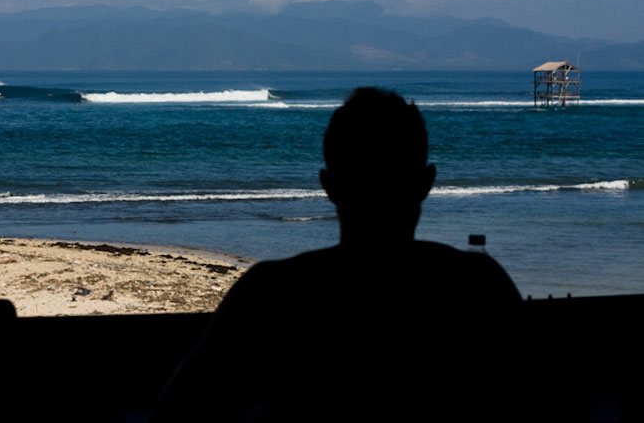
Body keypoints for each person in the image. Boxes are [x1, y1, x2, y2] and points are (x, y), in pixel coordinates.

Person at [150, 87, 522, 422]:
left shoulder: (272, 294)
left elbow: (178, 415)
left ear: (327, 186)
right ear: (426, 183)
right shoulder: (478, 285)